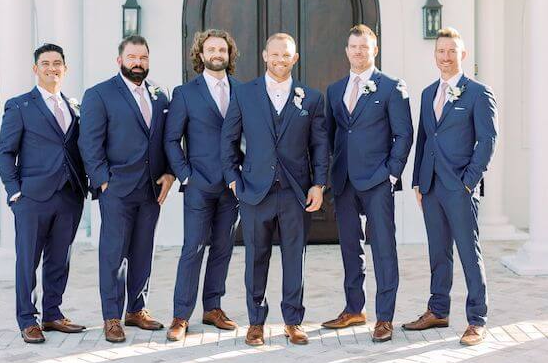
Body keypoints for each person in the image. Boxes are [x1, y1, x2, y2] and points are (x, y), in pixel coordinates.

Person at [221, 33, 328, 346]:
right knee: (256, 256)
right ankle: (256, 322)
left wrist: (319, 185)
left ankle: (293, 321)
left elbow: (320, 146)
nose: (281, 60)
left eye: (287, 56)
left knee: (295, 257)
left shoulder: (310, 97)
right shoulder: (244, 94)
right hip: (255, 190)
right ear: (265, 56)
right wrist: (233, 178)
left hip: (296, 192)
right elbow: (228, 139)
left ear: (295, 59)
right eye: (276, 55)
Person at [403, 27, 498, 346]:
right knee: (438, 252)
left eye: (451, 52)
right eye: (441, 52)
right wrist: (417, 180)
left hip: (460, 187)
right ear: (435, 55)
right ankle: (438, 310)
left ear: (463, 55)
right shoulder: (428, 92)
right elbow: (424, 138)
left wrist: (469, 181)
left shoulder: (478, 93)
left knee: (469, 253)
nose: (445, 57)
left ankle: (477, 319)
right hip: (430, 187)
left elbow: (487, 140)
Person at [78, 35, 175, 343]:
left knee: (144, 251)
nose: (138, 62)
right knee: (113, 253)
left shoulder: (160, 96)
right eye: (132, 57)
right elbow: (89, 143)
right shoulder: (99, 94)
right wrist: (102, 180)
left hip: (151, 189)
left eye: (143, 58)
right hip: (116, 188)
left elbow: (167, 139)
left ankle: (136, 309)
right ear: (119, 60)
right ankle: (111, 317)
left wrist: (170, 173)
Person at [321, 25, 413, 342]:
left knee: (383, 249)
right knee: (350, 248)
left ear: (375, 50)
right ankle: (354, 308)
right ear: (346, 50)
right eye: (353, 46)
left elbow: (404, 134)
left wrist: (391, 174)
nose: (358, 52)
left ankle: (384, 317)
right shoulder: (334, 90)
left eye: (364, 47)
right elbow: (330, 136)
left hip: (377, 181)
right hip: (344, 181)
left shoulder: (390, 87)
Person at [0, 43, 87, 343]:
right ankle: (27, 318)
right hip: (32, 197)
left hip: (69, 195)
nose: (52, 68)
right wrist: (14, 192)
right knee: (27, 260)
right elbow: (5, 152)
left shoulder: (73, 106)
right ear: (35, 69)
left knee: (59, 259)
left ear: (65, 68)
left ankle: (52, 313)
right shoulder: (19, 105)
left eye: (57, 63)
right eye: (45, 63)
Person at [163, 29, 242, 341]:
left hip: (233, 185)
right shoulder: (185, 93)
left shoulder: (243, 90)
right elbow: (171, 139)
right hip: (198, 184)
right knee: (192, 248)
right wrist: (185, 175)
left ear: (229, 54)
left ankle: (213, 308)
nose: (217, 54)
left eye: (222, 49)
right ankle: (181, 315)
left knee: (223, 249)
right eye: (211, 49)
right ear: (201, 54)